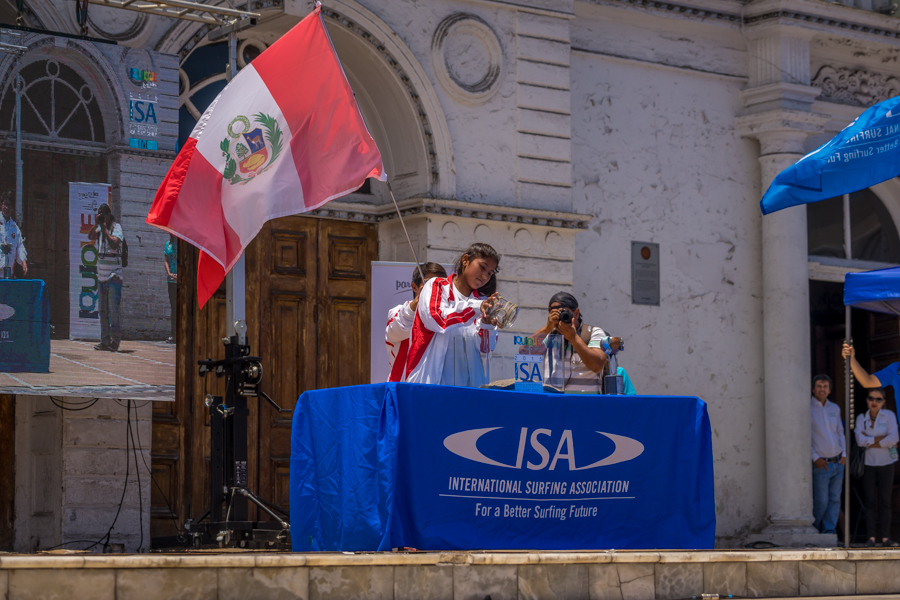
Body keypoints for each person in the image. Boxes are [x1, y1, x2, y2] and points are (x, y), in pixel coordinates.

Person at [405, 243, 500, 385]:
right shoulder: (436, 286)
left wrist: (487, 325)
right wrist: (474, 307)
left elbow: (486, 348)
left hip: (470, 389)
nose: (485, 276)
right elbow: (437, 320)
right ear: (465, 260)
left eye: (490, 273)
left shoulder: (481, 302)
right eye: (482, 267)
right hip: (432, 385)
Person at [532, 292, 611, 393]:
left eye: (565, 313)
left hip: (585, 403)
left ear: (577, 313)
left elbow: (597, 366)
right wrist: (546, 328)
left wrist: (574, 338)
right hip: (554, 403)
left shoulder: (593, 333)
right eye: (556, 315)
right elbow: (525, 352)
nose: (562, 319)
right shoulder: (550, 336)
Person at [385, 262, 447, 382]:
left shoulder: (447, 315)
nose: (434, 289)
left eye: (440, 284)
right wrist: (418, 303)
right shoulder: (398, 311)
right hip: (403, 389)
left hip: (438, 388)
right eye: (429, 283)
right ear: (414, 287)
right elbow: (398, 329)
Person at [854, 387, 899, 547]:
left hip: (887, 463)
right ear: (867, 400)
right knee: (870, 501)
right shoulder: (861, 418)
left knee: (886, 501)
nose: (874, 402)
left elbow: (894, 438)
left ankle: (886, 538)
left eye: (878, 399)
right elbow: (860, 441)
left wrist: (870, 440)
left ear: (883, 402)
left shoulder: (889, 416)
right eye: (871, 398)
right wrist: (883, 439)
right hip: (868, 464)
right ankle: (871, 537)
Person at [810, 374, 846, 535]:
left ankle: (829, 532)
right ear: (813, 389)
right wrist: (815, 457)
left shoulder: (835, 408)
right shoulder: (807, 409)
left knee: (835, 500)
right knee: (821, 502)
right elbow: (804, 436)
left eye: (825, 386)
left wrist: (844, 454)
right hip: (821, 464)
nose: (822, 389)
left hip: (838, 462)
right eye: (819, 386)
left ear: (830, 390)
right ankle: (814, 531)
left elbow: (840, 432)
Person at [89, 203, 124, 352]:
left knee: (113, 311)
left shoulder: (116, 227)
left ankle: (115, 341)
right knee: (102, 311)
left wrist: (104, 229)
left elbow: (115, 244)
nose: (103, 218)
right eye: (100, 215)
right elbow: (90, 236)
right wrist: (96, 224)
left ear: (110, 215)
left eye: (104, 215)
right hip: (101, 276)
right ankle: (104, 341)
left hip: (114, 276)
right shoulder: (100, 227)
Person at [0, 192, 27, 279]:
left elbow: (19, 246)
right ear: (1, 205)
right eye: (5, 204)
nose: (6, 208)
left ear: (12, 208)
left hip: (8, 275)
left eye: (9, 206)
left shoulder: (15, 228)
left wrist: (23, 261)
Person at [164, 236, 177, 344]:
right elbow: (166, 260)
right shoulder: (168, 244)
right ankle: (173, 334)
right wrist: (169, 273)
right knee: (173, 307)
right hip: (171, 280)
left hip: (180, 280)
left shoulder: (183, 244)